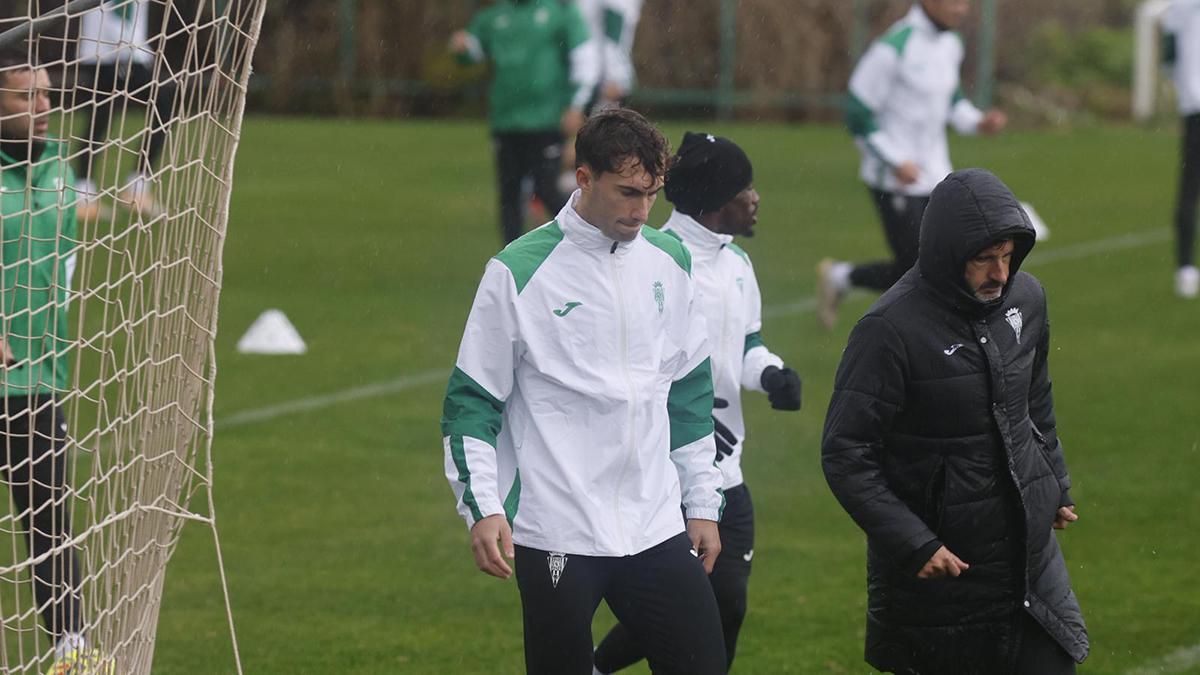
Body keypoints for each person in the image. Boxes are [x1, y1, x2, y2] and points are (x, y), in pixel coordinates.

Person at [441, 108, 727, 675]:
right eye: (627, 193)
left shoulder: (670, 261)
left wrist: (701, 503)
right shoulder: (517, 271)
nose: (641, 210)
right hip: (557, 529)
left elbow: (688, 392)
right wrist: (483, 507)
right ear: (584, 178)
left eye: (652, 194)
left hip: (654, 522)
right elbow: (472, 402)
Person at [821, 169, 1089, 674]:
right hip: (945, 583)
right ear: (947, 254)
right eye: (984, 258)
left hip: (1032, 568)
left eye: (1007, 256)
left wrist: (1054, 482)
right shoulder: (887, 330)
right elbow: (846, 452)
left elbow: (1034, 401)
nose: (1000, 274)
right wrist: (914, 543)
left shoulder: (1027, 300)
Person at [592, 132, 801, 675]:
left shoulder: (738, 265)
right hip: (669, 474)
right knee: (683, 607)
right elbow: (633, 367)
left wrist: (770, 374)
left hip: (728, 471)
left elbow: (746, 344)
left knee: (725, 605)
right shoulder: (656, 262)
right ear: (714, 200)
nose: (755, 198)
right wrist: (692, 424)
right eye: (744, 188)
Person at [0, 49, 111, 674]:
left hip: (38, 381)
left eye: (46, 94)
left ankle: (73, 653)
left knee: (50, 523)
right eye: (26, 96)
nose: (44, 107)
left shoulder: (60, 171)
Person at [817, 0, 1007, 329]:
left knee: (935, 265)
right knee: (919, 268)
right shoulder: (893, 47)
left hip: (937, 177)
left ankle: (841, 278)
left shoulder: (951, 43)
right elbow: (858, 113)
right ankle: (914, 335)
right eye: (955, 1)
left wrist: (978, 122)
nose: (962, 9)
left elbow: (952, 102)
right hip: (894, 180)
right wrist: (894, 160)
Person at [450, 0, 599, 244]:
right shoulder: (495, 14)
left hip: (546, 120)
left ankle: (588, 243)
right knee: (510, 196)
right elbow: (472, 50)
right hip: (506, 122)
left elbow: (584, 59)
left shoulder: (560, 10)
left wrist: (576, 105)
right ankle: (511, 257)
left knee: (547, 189)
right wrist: (461, 46)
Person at [72, 0, 177, 220]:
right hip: (110, 52)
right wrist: (128, 43)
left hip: (125, 51)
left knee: (160, 109)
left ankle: (132, 189)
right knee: (101, 119)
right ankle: (88, 196)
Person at [1163, 0, 1200, 298]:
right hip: (1195, 107)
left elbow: (1169, 55)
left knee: (1189, 188)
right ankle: (1186, 268)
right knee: (1189, 188)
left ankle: (1185, 269)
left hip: (1193, 106)